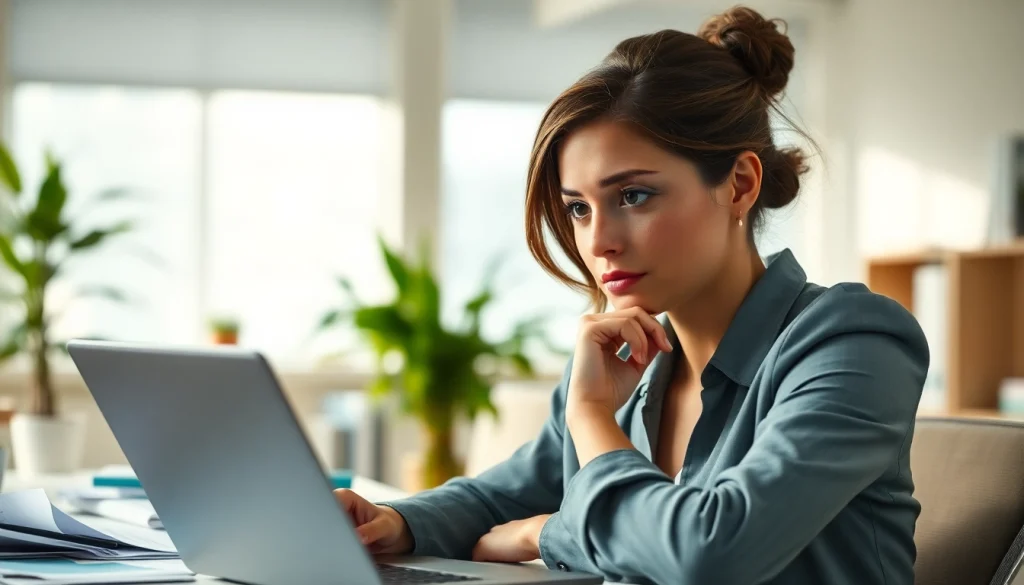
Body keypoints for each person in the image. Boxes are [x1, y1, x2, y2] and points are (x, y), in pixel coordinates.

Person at [335, 6, 929, 585]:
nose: (599, 242)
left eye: (634, 196)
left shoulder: (853, 342)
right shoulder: (625, 355)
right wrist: (396, 522)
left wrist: (550, 528)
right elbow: (509, 491)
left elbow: (713, 551)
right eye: (577, 207)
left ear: (740, 185)